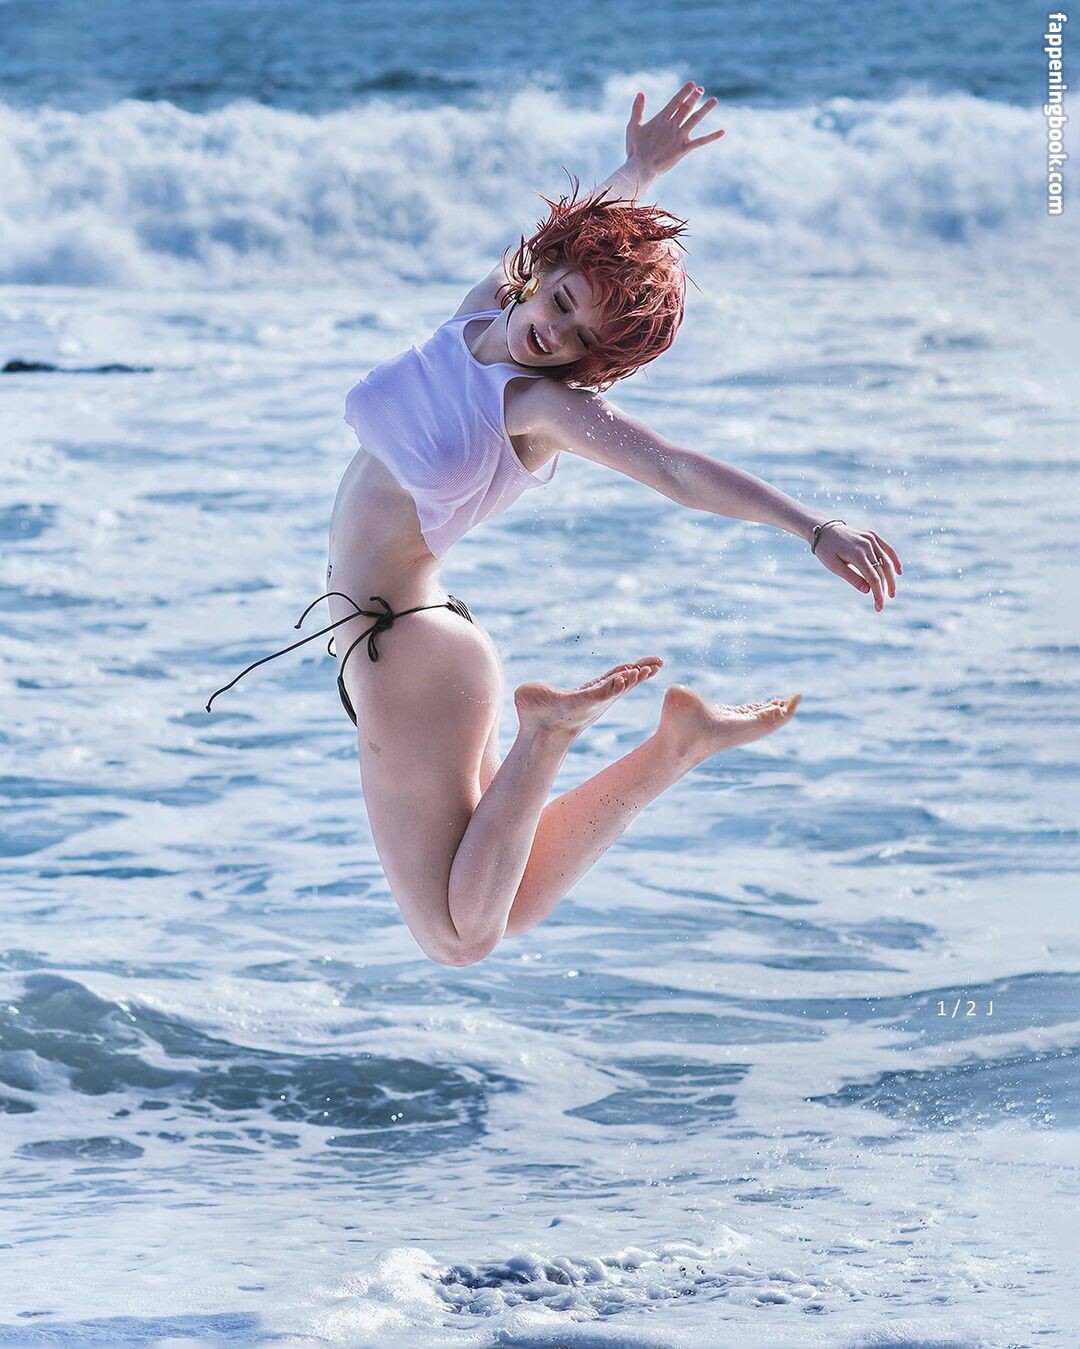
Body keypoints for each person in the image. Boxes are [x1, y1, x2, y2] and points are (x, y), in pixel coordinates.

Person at [207, 81, 901, 966]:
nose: (555, 332)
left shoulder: (538, 406)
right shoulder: (479, 314)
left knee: (459, 938)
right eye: (561, 303)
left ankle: (548, 733)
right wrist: (640, 167)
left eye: (581, 339)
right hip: (410, 644)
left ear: (594, 363)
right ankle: (676, 745)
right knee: (511, 898)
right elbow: (580, 236)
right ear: (542, 275)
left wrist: (811, 527)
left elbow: (672, 468)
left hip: (413, 653)